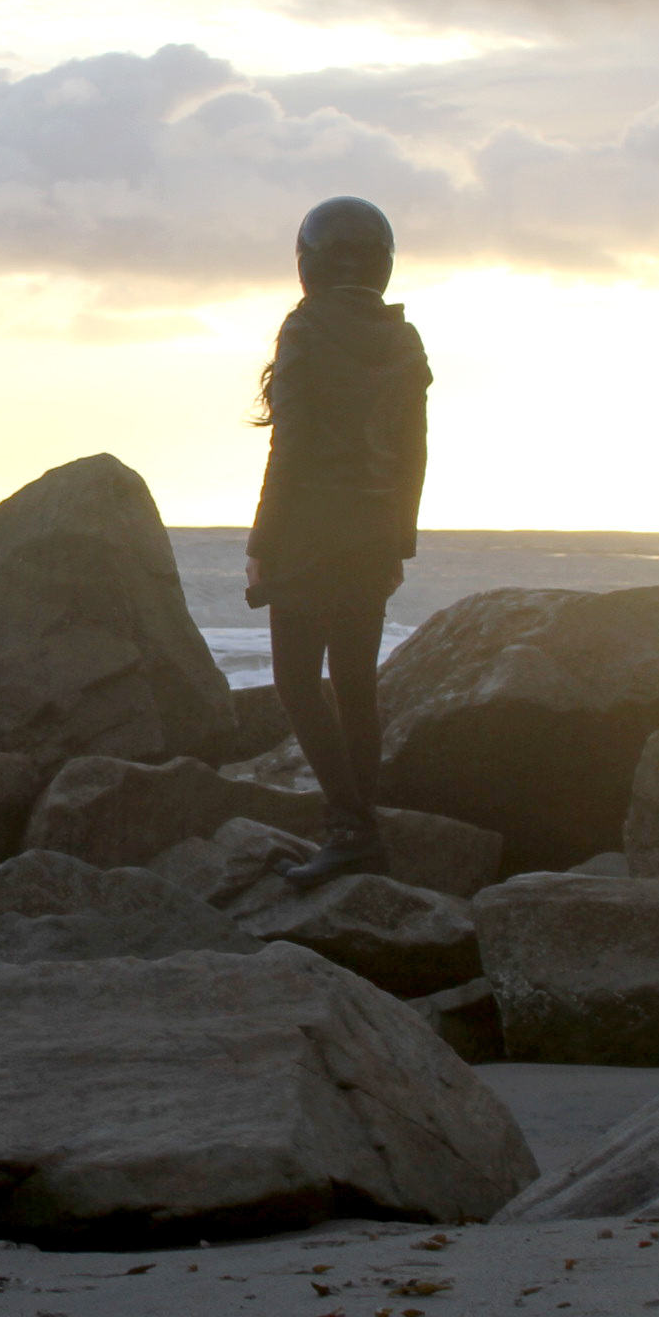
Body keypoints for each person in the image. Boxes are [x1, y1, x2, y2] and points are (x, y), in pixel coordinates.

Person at [244, 196, 431, 888]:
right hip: (372, 537)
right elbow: (414, 454)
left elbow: (290, 448)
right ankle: (361, 832)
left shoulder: (306, 326)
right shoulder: (402, 338)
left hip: (309, 536)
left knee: (297, 686)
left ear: (309, 262)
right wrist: (398, 544)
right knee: (355, 687)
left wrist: (262, 540)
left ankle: (350, 831)